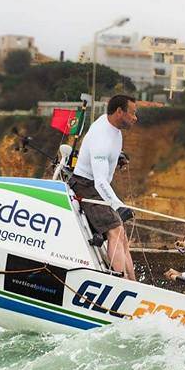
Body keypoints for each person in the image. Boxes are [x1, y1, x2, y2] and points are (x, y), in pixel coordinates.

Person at [70, 94, 138, 280]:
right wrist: (118, 205)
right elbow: (100, 181)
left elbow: (105, 153)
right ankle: (120, 281)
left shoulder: (113, 128)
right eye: (132, 113)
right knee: (115, 231)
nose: (135, 118)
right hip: (85, 185)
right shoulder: (101, 136)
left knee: (122, 235)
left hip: (97, 186)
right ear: (119, 112)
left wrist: (118, 157)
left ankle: (134, 282)